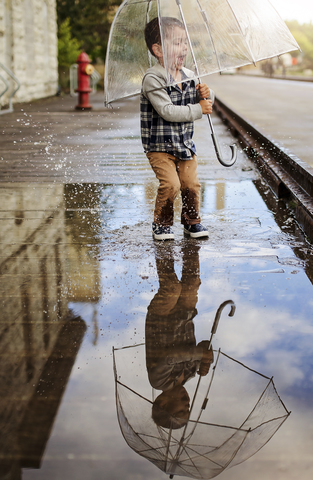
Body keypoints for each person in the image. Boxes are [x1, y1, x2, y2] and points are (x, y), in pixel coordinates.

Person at [141, 17, 214, 241]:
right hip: (159, 146)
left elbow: (205, 105)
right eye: (176, 43)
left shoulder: (190, 76)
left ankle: (192, 222)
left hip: (184, 144)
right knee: (171, 184)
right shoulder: (153, 79)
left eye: (185, 43)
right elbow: (168, 111)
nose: (183, 48)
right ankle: (161, 224)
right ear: (158, 50)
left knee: (191, 184)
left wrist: (206, 95)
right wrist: (199, 108)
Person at [145, 243, 214, 429]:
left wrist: (200, 356)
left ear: (162, 403)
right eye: (189, 409)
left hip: (160, 317)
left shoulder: (158, 381)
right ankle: (191, 243)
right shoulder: (191, 373)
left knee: (172, 288)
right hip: (185, 314)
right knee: (192, 282)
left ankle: (163, 243)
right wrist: (207, 358)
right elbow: (204, 345)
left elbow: (170, 357)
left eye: (181, 410)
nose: (187, 404)